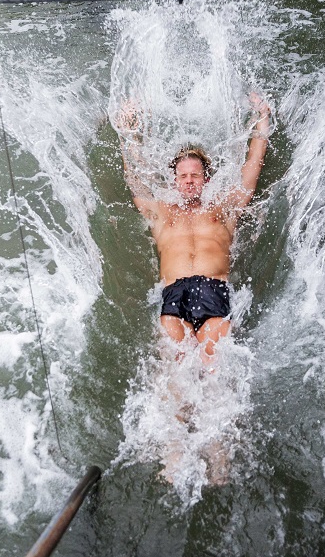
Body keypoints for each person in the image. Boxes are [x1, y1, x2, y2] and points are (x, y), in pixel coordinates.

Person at [116, 93, 272, 362]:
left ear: (206, 179)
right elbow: (135, 176)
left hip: (213, 290)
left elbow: (251, 170)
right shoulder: (162, 212)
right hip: (174, 293)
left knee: (214, 365)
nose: (189, 181)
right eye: (183, 176)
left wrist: (263, 118)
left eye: (195, 175)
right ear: (174, 180)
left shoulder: (223, 208)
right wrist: (127, 130)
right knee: (174, 366)